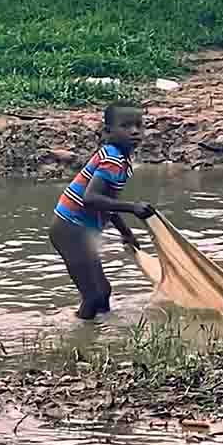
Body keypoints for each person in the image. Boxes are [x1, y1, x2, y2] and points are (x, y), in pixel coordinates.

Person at [49, 100, 155, 320]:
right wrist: (133, 208)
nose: (134, 131)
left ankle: (99, 332)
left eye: (138, 125)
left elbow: (106, 202)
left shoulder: (120, 159)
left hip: (80, 231)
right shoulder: (112, 159)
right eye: (126, 126)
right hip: (70, 230)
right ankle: (80, 335)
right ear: (108, 132)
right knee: (94, 295)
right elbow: (91, 199)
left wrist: (125, 232)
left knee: (103, 292)